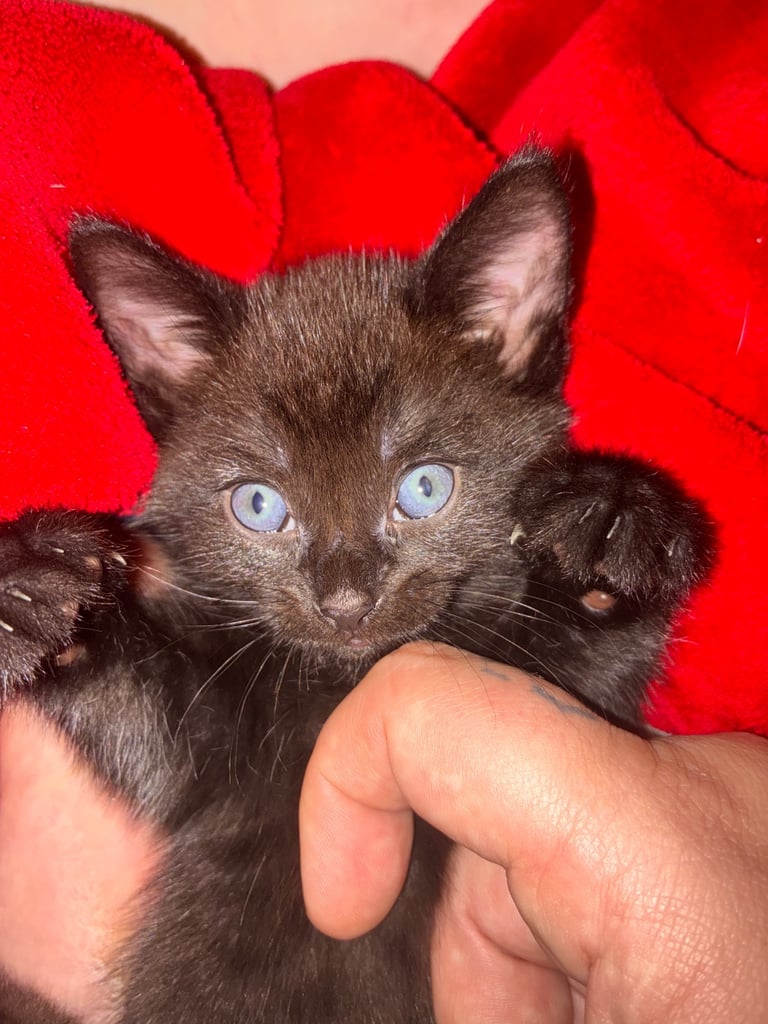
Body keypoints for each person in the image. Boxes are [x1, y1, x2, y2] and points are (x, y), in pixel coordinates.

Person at [2, 2, 766, 1021]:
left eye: (421, 489)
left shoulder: (523, 606)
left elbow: (585, 681)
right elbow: (164, 742)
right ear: (161, 384)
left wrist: (612, 556)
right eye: (263, 504)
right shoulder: (229, 669)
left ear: (514, 341)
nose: (348, 587)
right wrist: (66, 634)